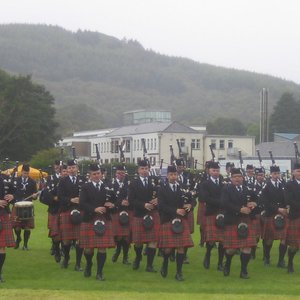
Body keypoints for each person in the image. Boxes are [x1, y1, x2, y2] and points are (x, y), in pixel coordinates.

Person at [79, 164, 115, 281]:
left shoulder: (108, 187)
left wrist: (112, 205)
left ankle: (100, 272)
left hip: (104, 219)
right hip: (89, 218)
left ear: (101, 174)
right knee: (88, 249)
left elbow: (114, 202)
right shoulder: (85, 187)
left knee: (102, 247)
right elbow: (82, 203)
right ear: (90, 175)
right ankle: (89, 264)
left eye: (98, 173)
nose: (96, 176)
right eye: (94, 174)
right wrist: (94, 209)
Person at [158, 165, 194, 281]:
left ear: (177, 175)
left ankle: (179, 272)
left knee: (181, 247)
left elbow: (192, 200)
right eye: (171, 175)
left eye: (175, 175)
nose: (173, 177)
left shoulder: (183, 188)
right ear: (167, 176)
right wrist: (175, 210)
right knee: (168, 249)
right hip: (168, 220)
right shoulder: (162, 188)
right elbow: (161, 205)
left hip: (181, 220)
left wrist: (191, 205)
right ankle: (165, 262)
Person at [221, 168, 258, 279]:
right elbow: (224, 203)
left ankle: (244, 271)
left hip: (246, 221)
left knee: (247, 247)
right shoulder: (226, 190)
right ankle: (227, 263)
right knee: (231, 249)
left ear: (243, 178)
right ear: (231, 178)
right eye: (235, 177)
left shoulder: (248, 190)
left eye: (239, 176)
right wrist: (239, 209)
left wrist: (254, 204)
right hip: (232, 221)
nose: (237, 178)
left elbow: (257, 200)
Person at [128, 159, 159, 272]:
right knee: (138, 241)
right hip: (139, 214)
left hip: (153, 213)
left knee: (153, 240)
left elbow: (163, 193)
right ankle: (138, 257)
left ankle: (149, 265)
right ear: (138, 170)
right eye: (142, 169)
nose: (144, 171)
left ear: (149, 169)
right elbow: (131, 200)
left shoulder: (155, 181)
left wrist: (159, 199)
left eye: (146, 168)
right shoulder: (133, 183)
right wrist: (143, 204)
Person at [57, 159, 86, 270]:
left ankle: (78, 263)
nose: (72, 170)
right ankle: (67, 258)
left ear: (77, 168)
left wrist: (81, 200)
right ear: (67, 170)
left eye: (73, 167)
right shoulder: (62, 181)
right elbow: (60, 197)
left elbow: (88, 195)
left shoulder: (83, 180)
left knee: (80, 239)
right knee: (66, 239)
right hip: (67, 210)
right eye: (69, 168)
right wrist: (71, 200)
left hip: (80, 210)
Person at [260, 165, 288, 267]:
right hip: (271, 214)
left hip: (283, 215)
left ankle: (281, 261)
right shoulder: (266, 186)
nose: (277, 176)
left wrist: (287, 207)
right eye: (275, 174)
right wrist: (278, 209)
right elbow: (265, 202)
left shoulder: (283, 184)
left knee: (284, 238)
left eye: (278, 173)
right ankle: (267, 257)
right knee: (269, 239)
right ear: (271, 174)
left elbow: (287, 198)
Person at [40, 163, 68, 262]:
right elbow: (47, 194)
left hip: (66, 210)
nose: (65, 173)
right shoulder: (53, 181)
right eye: (64, 171)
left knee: (65, 234)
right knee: (56, 234)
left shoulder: (71, 182)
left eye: (67, 171)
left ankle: (64, 250)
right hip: (55, 210)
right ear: (60, 173)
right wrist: (54, 198)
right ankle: (56, 249)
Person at [201, 161, 225, 271]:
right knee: (211, 240)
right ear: (209, 171)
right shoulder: (205, 184)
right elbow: (205, 198)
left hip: (222, 214)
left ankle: (220, 263)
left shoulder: (223, 183)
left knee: (222, 240)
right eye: (213, 170)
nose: (216, 172)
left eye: (217, 171)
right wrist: (221, 202)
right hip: (211, 212)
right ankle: (208, 254)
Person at [11, 164, 38, 250]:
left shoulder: (33, 182)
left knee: (27, 227)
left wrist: (34, 196)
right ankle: (18, 238)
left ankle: (25, 245)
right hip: (17, 205)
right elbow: (12, 192)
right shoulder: (16, 180)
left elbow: (35, 195)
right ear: (21, 172)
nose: (26, 174)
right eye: (24, 173)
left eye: (27, 173)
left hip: (28, 207)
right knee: (17, 226)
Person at [110, 165, 132, 265]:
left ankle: (125, 257)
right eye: (119, 173)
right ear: (116, 173)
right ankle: (118, 251)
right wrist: (120, 202)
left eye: (123, 173)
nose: (121, 175)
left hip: (127, 211)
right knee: (119, 236)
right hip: (116, 211)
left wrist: (129, 201)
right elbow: (109, 199)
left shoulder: (129, 184)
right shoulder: (111, 184)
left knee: (126, 237)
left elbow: (134, 196)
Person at [284, 163, 300, 273]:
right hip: (296, 216)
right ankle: (290, 262)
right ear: (293, 172)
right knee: (294, 245)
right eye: (298, 171)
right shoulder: (289, 184)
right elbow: (288, 199)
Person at [0, 173, 15, 282]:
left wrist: (12, 196)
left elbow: (15, 191)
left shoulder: (4, 178)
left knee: (1, 246)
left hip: (3, 214)